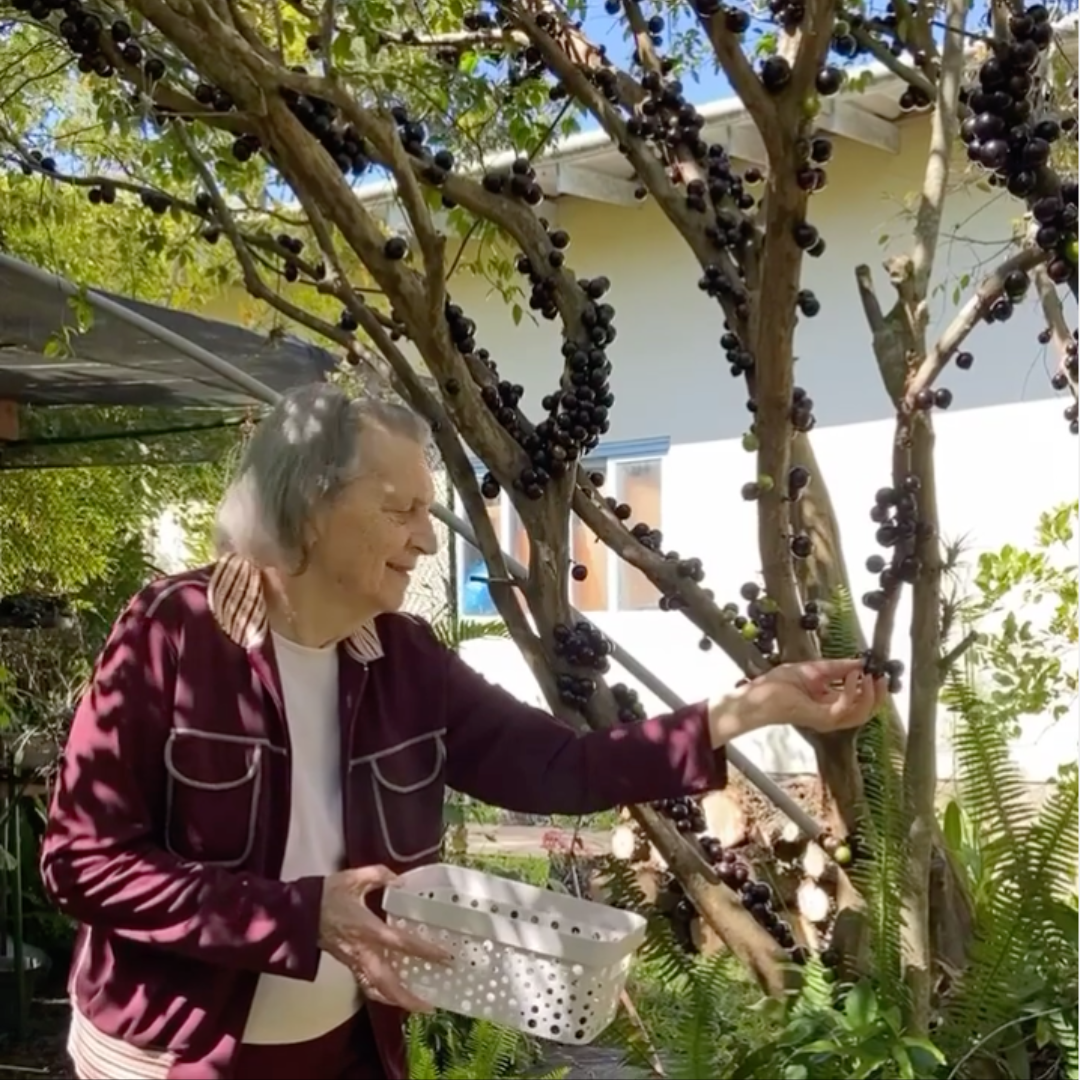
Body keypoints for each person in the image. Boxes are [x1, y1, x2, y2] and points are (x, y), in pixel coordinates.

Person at [40, 383, 884, 1080]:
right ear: (306, 509)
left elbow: (567, 768)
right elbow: (83, 863)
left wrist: (753, 706)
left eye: (427, 511)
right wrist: (297, 916)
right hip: (170, 1059)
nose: (422, 538)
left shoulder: (405, 661)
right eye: (399, 508)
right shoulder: (175, 633)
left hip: (344, 1052)